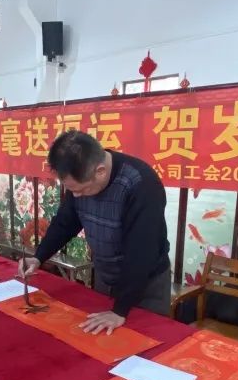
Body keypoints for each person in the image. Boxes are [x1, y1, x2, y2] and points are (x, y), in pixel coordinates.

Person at [19, 131, 171, 335]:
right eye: (72, 190)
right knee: (99, 339)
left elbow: (141, 253)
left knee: (145, 343)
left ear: (100, 171)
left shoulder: (141, 184)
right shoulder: (80, 177)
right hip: (105, 278)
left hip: (145, 285)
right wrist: (39, 257)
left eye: (81, 190)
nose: (76, 196)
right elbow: (65, 222)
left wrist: (119, 310)